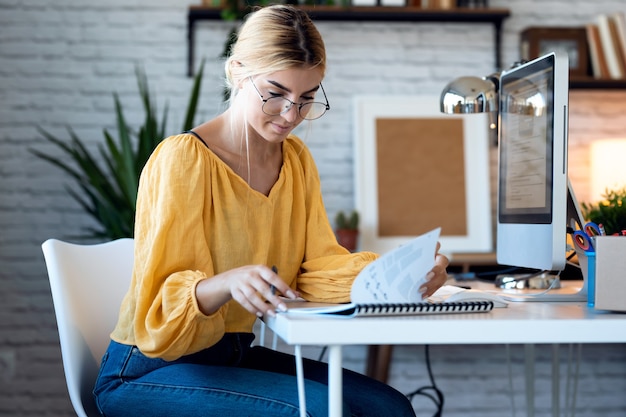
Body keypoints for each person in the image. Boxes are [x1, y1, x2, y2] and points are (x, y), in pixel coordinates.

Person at [93, 4, 449, 417]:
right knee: (318, 409)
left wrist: (402, 272)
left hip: (230, 358)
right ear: (238, 71)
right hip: (147, 370)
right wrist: (226, 283)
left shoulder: (295, 161)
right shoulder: (183, 159)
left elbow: (316, 269)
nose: (291, 115)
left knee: (390, 407)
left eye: (306, 99)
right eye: (276, 93)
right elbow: (159, 311)